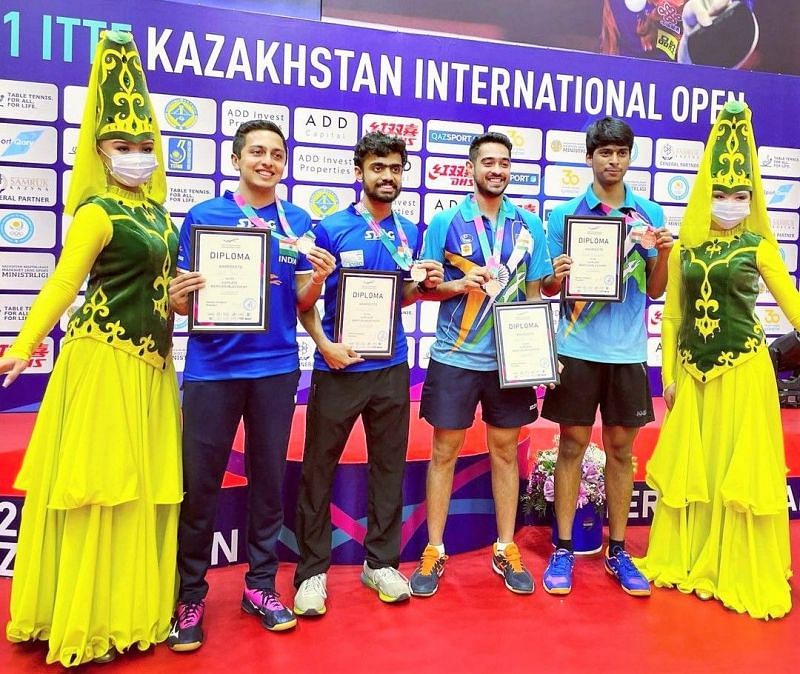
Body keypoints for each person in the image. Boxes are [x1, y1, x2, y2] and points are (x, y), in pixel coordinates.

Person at [1, 31, 181, 666]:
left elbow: (160, 295)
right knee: (99, 489)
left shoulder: (162, 218)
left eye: (144, 146)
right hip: (103, 362)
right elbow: (62, 283)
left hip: (152, 372)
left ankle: (126, 613)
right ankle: (82, 619)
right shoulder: (96, 213)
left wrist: (182, 298)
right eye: (123, 146)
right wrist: (23, 344)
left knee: (137, 493)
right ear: (101, 153)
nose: (136, 155)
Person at [165, 120, 336, 651]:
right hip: (213, 371)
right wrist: (177, 298)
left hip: (276, 369)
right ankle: (189, 595)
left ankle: (259, 586)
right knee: (200, 487)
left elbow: (301, 304)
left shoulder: (299, 222)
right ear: (237, 159)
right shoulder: (203, 216)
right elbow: (180, 302)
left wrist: (318, 279)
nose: (267, 161)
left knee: (267, 483)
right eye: (257, 152)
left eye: (277, 154)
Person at [639, 100, 799, 619]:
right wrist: (667, 374)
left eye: (739, 194)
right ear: (706, 195)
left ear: (751, 198)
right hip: (694, 375)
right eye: (720, 194)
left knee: (737, 473)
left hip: (744, 372)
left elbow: (794, 306)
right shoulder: (686, 248)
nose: (729, 202)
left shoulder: (759, 246)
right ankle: (692, 557)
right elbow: (672, 317)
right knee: (697, 471)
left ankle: (736, 565)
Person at [292, 132, 443, 615]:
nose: (388, 177)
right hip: (339, 365)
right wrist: (325, 346)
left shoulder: (410, 233)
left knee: (388, 467)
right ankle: (312, 573)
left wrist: (422, 289)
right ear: (360, 172)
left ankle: (380, 562)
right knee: (319, 469)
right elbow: (303, 302)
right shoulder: (331, 228)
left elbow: (400, 297)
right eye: (378, 168)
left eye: (396, 169)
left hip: (392, 365)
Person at [409, 131, 552, 597]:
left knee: (506, 452)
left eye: (504, 163)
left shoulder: (529, 226)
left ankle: (506, 546)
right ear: (471, 168)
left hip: (509, 363)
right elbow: (423, 288)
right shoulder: (445, 223)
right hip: (454, 356)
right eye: (488, 162)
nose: (497, 170)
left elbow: (534, 294)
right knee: (444, 451)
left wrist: (542, 351)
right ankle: (434, 548)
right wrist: (461, 284)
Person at [539, 116, 672, 596]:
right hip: (576, 347)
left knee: (621, 450)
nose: (613, 161)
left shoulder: (648, 214)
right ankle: (564, 547)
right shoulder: (564, 216)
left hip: (627, 351)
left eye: (621, 153)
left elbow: (656, 291)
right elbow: (550, 288)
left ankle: (618, 550)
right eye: (604, 153)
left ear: (629, 157)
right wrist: (558, 272)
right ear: (589, 157)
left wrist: (662, 254)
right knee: (571, 446)